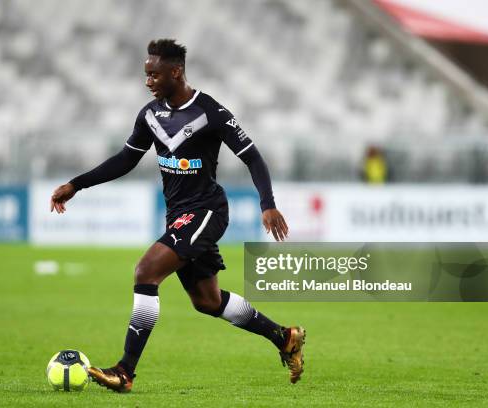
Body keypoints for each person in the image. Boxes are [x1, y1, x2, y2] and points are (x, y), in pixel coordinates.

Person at [50, 39, 305, 393]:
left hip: (206, 211)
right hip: (179, 216)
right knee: (207, 301)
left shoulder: (211, 112)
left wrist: (268, 204)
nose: (148, 81)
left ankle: (125, 371)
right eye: (146, 74)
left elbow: (253, 157)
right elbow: (125, 160)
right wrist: (77, 184)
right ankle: (284, 337)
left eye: (154, 74)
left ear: (176, 71)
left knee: (145, 271)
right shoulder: (150, 115)